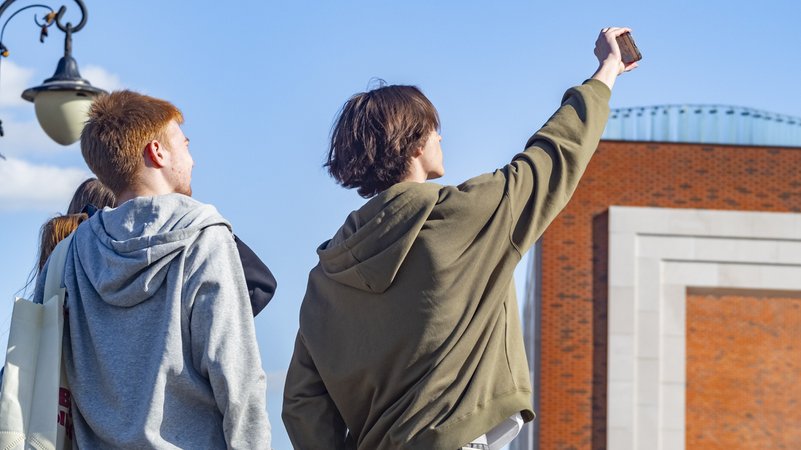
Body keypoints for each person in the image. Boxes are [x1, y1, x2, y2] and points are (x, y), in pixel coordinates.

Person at [282, 27, 637, 450]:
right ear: (413, 142)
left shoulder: (326, 276)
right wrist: (607, 70)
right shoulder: (463, 216)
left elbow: (302, 403)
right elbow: (553, 155)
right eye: (433, 129)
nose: (440, 137)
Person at [32, 90, 271, 448]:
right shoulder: (203, 238)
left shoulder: (69, 255)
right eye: (185, 145)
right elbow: (238, 378)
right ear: (157, 152)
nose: (193, 160)